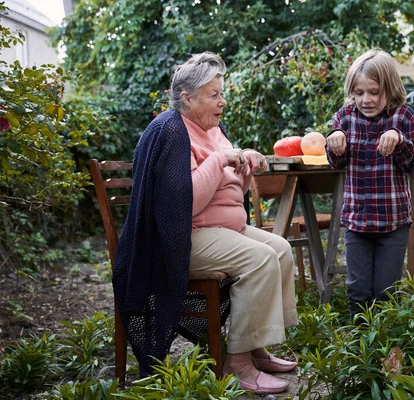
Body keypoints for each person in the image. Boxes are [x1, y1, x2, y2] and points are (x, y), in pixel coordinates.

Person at [113, 52, 298, 394]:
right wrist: (219, 160)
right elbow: (182, 205)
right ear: (187, 97)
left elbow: (229, 193)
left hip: (222, 230)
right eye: (214, 95)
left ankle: (256, 347)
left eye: (221, 93)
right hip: (183, 239)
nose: (222, 102)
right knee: (260, 260)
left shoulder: (214, 130)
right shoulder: (170, 131)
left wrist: (245, 167)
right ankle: (238, 364)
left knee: (282, 249)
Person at [325, 49, 414, 321]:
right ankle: (360, 344)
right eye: (358, 93)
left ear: (389, 89)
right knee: (357, 289)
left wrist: (399, 140)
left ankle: (387, 346)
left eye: (374, 92)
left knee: (386, 291)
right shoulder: (344, 118)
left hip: (393, 223)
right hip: (357, 223)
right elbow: (336, 162)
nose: (365, 100)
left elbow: (413, 164)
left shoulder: (404, 117)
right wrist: (335, 143)